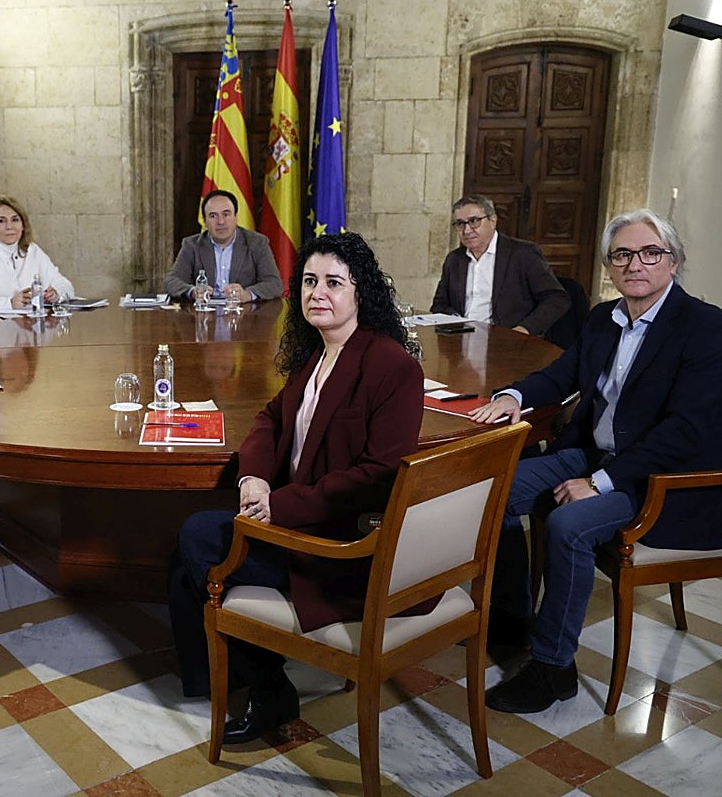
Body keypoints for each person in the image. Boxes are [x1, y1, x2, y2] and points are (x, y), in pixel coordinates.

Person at [168, 233, 424, 743]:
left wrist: (278, 504)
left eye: (333, 282)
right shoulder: (317, 354)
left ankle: (263, 685)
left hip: (341, 542)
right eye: (309, 281)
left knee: (197, 539)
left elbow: (378, 475)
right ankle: (248, 679)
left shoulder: (391, 365)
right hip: (301, 520)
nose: (317, 293)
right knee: (189, 552)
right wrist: (254, 477)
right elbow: (270, 419)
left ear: (361, 291)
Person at [468, 209, 722, 713]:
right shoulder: (604, 318)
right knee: (492, 490)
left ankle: (553, 667)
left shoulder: (706, 327)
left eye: (650, 253)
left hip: (661, 478)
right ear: (610, 265)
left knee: (569, 525)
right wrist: (514, 396)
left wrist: (600, 482)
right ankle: (513, 617)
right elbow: (561, 374)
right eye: (622, 254)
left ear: (673, 262)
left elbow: (684, 433)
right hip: (594, 452)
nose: (635, 264)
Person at [430, 195, 569, 336]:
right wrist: (456, 322)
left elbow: (556, 298)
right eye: (460, 223)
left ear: (493, 220)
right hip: (460, 338)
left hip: (507, 339)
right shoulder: (454, 259)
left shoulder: (523, 253)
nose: (466, 230)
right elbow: (439, 305)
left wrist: (524, 330)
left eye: (474, 221)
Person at [164, 190, 284, 303]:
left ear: (235, 217)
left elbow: (274, 283)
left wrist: (246, 294)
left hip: (244, 313)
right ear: (205, 221)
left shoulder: (257, 243)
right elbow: (172, 281)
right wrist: (193, 292)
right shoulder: (192, 245)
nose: (220, 222)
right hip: (204, 313)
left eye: (226, 214)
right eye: (213, 216)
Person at [0, 195, 75, 313]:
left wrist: (57, 293)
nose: (9, 227)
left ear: (23, 225)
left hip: (31, 322)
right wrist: (9, 303)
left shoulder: (32, 250)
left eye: (15, 220)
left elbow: (65, 285)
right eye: (1, 221)